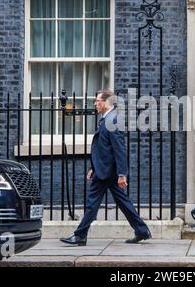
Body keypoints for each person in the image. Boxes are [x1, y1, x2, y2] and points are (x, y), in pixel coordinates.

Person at [60, 90, 151, 245]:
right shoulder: (106, 119)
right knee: (123, 201)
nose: (95, 103)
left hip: (107, 172)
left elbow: (119, 149)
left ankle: (80, 235)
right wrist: (94, 168)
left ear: (106, 102)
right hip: (105, 170)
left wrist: (122, 174)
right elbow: (104, 148)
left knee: (92, 202)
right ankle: (142, 230)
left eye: (97, 101)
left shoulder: (112, 120)